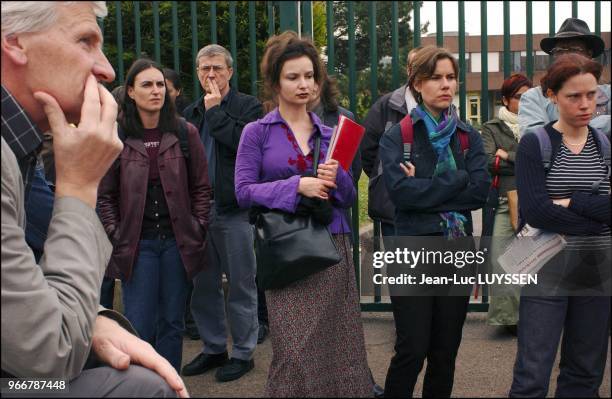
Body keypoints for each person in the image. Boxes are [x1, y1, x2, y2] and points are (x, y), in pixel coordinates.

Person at [1, 2, 187, 397]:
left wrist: (96, 320)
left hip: (171, 241)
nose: (106, 69)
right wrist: (80, 186)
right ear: (14, 42)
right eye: (85, 40)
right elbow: (49, 353)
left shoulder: (17, 145)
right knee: (142, 389)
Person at [235, 30, 373, 397]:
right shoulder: (256, 133)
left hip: (333, 246)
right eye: (293, 77)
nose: (304, 85)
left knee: (336, 348)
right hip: (285, 250)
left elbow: (345, 197)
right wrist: (297, 185)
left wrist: (337, 178)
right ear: (275, 82)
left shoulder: (330, 134)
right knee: (293, 352)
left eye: (310, 76)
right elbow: (243, 191)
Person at [379, 45, 489, 397]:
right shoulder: (399, 136)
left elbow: (480, 193)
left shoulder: (468, 137)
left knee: (444, 352)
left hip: (456, 250)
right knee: (412, 348)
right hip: (411, 248)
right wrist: (455, 180)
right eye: (435, 77)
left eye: (451, 77)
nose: (446, 84)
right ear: (416, 83)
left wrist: (423, 187)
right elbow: (401, 196)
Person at [97, 58, 211, 373]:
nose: (156, 90)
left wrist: (198, 226)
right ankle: (143, 388)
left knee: (172, 323)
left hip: (177, 244)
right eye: (147, 84)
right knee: (139, 327)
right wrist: (115, 231)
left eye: (160, 84)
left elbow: (202, 187)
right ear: (130, 92)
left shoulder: (185, 133)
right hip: (138, 246)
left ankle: (169, 386)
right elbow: (105, 194)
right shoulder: (117, 135)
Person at [510, 53, 611, 397]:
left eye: (592, 94)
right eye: (573, 96)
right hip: (546, 267)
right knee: (532, 373)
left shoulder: (605, 145)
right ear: (552, 96)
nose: (586, 104)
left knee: (585, 372)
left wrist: (572, 202)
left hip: (596, 269)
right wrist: (596, 219)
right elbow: (537, 212)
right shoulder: (534, 143)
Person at [182, 44, 263, 382]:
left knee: (242, 285)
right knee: (203, 285)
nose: (210, 75)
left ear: (230, 71)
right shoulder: (189, 113)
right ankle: (215, 348)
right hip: (198, 213)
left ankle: (243, 353)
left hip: (234, 212)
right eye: (204, 69)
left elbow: (247, 147)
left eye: (217, 68)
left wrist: (216, 112)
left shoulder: (249, 107)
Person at [482, 73, 533, 334]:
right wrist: (522, 160)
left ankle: (533, 318)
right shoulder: (491, 127)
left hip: (535, 202)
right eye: (518, 98)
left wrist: (510, 155)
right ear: (505, 99)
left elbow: (543, 161)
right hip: (504, 201)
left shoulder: (539, 124)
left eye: (528, 97)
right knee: (502, 260)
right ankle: (507, 319)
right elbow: (490, 162)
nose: (524, 103)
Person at [361, 46, 421, 236]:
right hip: (394, 206)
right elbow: (368, 151)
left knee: (434, 263)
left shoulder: (446, 109)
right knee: (400, 264)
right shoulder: (386, 106)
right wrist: (385, 176)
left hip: (434, 207)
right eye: (415, 67)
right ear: (408, 70)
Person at [519, 17, 610, 137]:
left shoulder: (608, 93)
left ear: (589, 54)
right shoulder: (534, 97)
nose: (566, 55)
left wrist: (558, 129)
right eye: (560, 50)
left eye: (574, 49)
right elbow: (534, 139)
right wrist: (603, 124)